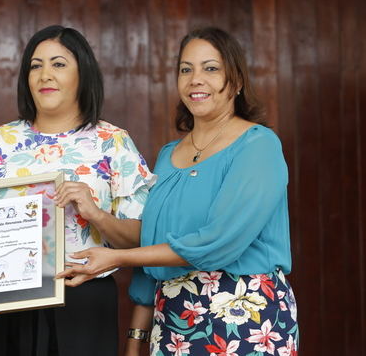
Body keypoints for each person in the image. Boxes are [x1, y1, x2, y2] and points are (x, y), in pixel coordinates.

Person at [57, 27, 299, 355]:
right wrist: (135, 339)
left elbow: (217, 243)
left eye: (211, 69)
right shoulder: (169, 156)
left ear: (237, 81)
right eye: (186, 69)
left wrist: (117, 257)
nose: (195, 79)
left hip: (245, 317)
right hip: (172, 320)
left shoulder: (258, 145)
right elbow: (154, 246)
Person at [0, 25, 156, 356]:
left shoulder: (112, 142)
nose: (45, 75)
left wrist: (95, 214)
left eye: (58, 64)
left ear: (83, 73)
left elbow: (141, 238)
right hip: (9, 301)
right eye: (35, 65)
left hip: (84, 302)